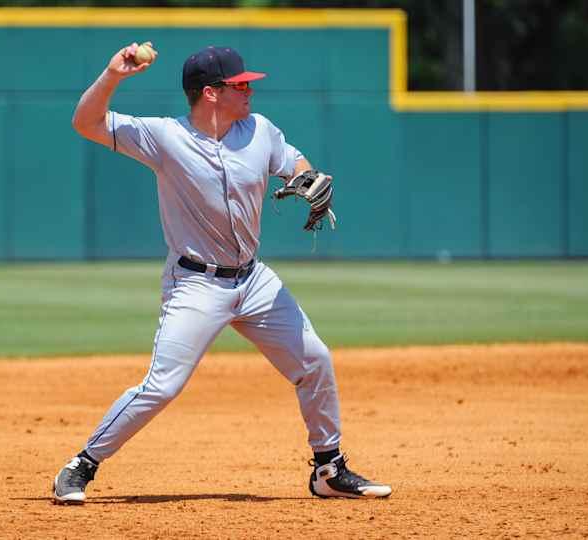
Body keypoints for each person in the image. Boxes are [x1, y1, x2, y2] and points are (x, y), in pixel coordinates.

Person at [52, 43, 391, 504]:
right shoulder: (165, 137)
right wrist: (113, 75)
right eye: (239, 85)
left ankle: (328, 468)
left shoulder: (259, 131)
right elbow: (85, 123)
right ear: (211, 93)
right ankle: (81, 465)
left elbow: (293, 162)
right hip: (195, 283)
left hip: (253, 280)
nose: (250, 90)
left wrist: (309, 176)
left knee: (315, 359)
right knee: (162, 385)